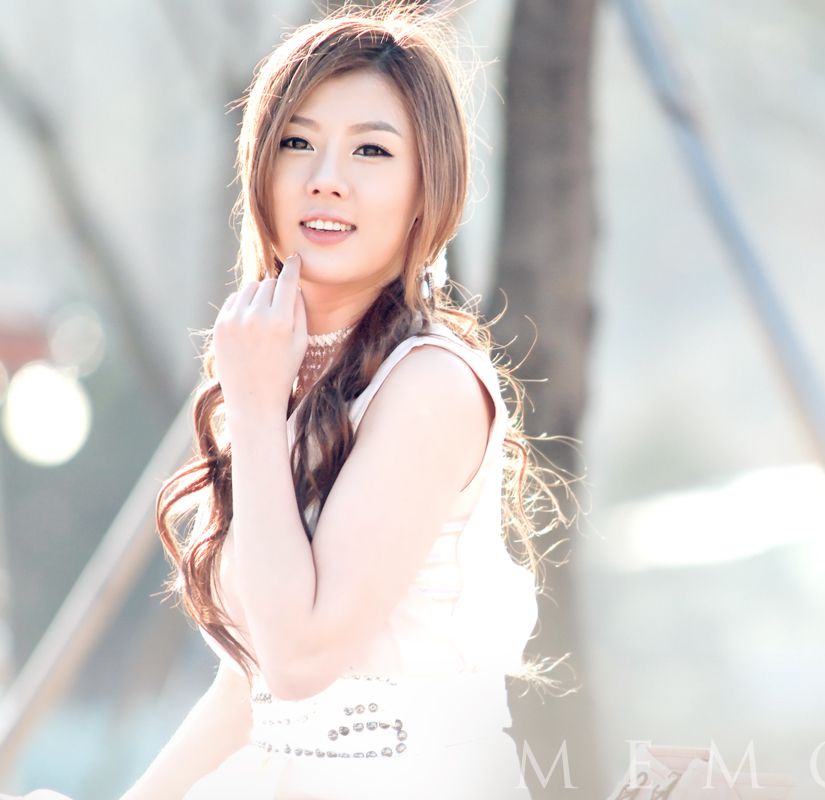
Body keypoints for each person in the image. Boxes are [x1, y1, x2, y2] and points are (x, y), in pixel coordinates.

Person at [108, 3, 569, 798]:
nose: (326, 177)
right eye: (298, 142)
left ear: (428, 188)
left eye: (371, 150)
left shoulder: (428, 384)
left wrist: (256, 412)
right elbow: (250, 690)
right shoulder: (281, 375)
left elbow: (301, 661)